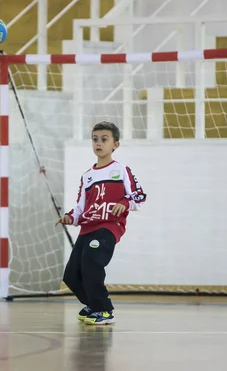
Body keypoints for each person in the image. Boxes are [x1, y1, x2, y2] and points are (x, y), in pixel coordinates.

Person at [57, 121, 146, 325]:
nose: (99, 143)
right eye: (95, 139)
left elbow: (139, 196)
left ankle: (104, 310)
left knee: (91, 260)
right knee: (71, 275)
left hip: (109, 227)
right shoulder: (87, 176)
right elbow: (80, 208)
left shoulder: (122, 170)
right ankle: (93, 305)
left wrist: (124, 203)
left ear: (115, 144)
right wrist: (70, 217)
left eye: (104, 139)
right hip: (87, 228)